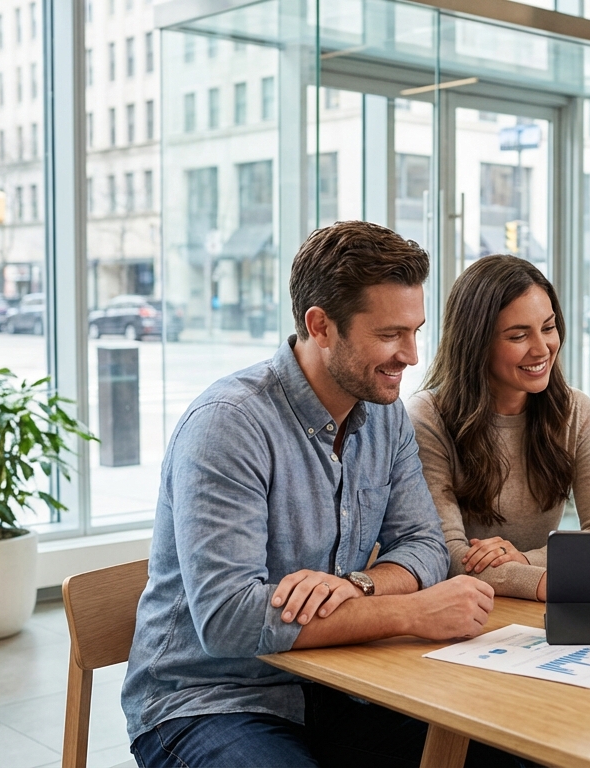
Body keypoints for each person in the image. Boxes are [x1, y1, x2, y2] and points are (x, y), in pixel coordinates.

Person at [122, 221, 495, 768]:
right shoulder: (228, 425)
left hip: (339, 682)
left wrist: (355, 586)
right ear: (320, 326)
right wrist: (410, 612)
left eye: (415, 330)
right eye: (391, 334)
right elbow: (231, 618)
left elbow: (424, 545)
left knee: (500, 756)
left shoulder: (386, 415)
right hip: (209, 701)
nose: (412, 356)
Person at [409, 255, 590, 604]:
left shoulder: (576, 411)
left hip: (535, 611)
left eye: (549, 327)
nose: (541, 349)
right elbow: (446, 557)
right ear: (477, 343)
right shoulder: (427, 418)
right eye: (518, 335)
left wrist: (525, 559)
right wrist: (547, 582)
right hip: (463, 609)